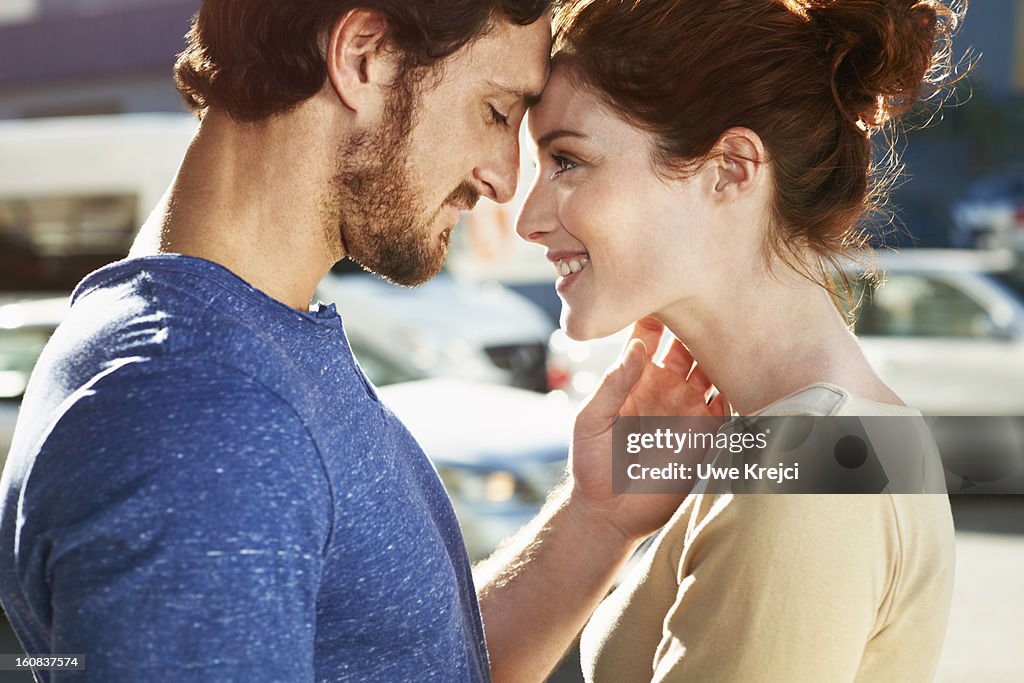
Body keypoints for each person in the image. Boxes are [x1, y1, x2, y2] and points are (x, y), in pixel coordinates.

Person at [0, 2, 722, 681]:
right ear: (363, 55)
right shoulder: (197, 412)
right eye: (495, 111)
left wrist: (595, 516)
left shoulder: (238, 349)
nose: (502, 180)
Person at [516, 0, 962, 680]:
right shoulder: (821, 438)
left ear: (729, 167)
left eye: (569, 161)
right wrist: (593, 516)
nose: (529, 218)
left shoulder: (805, 470)